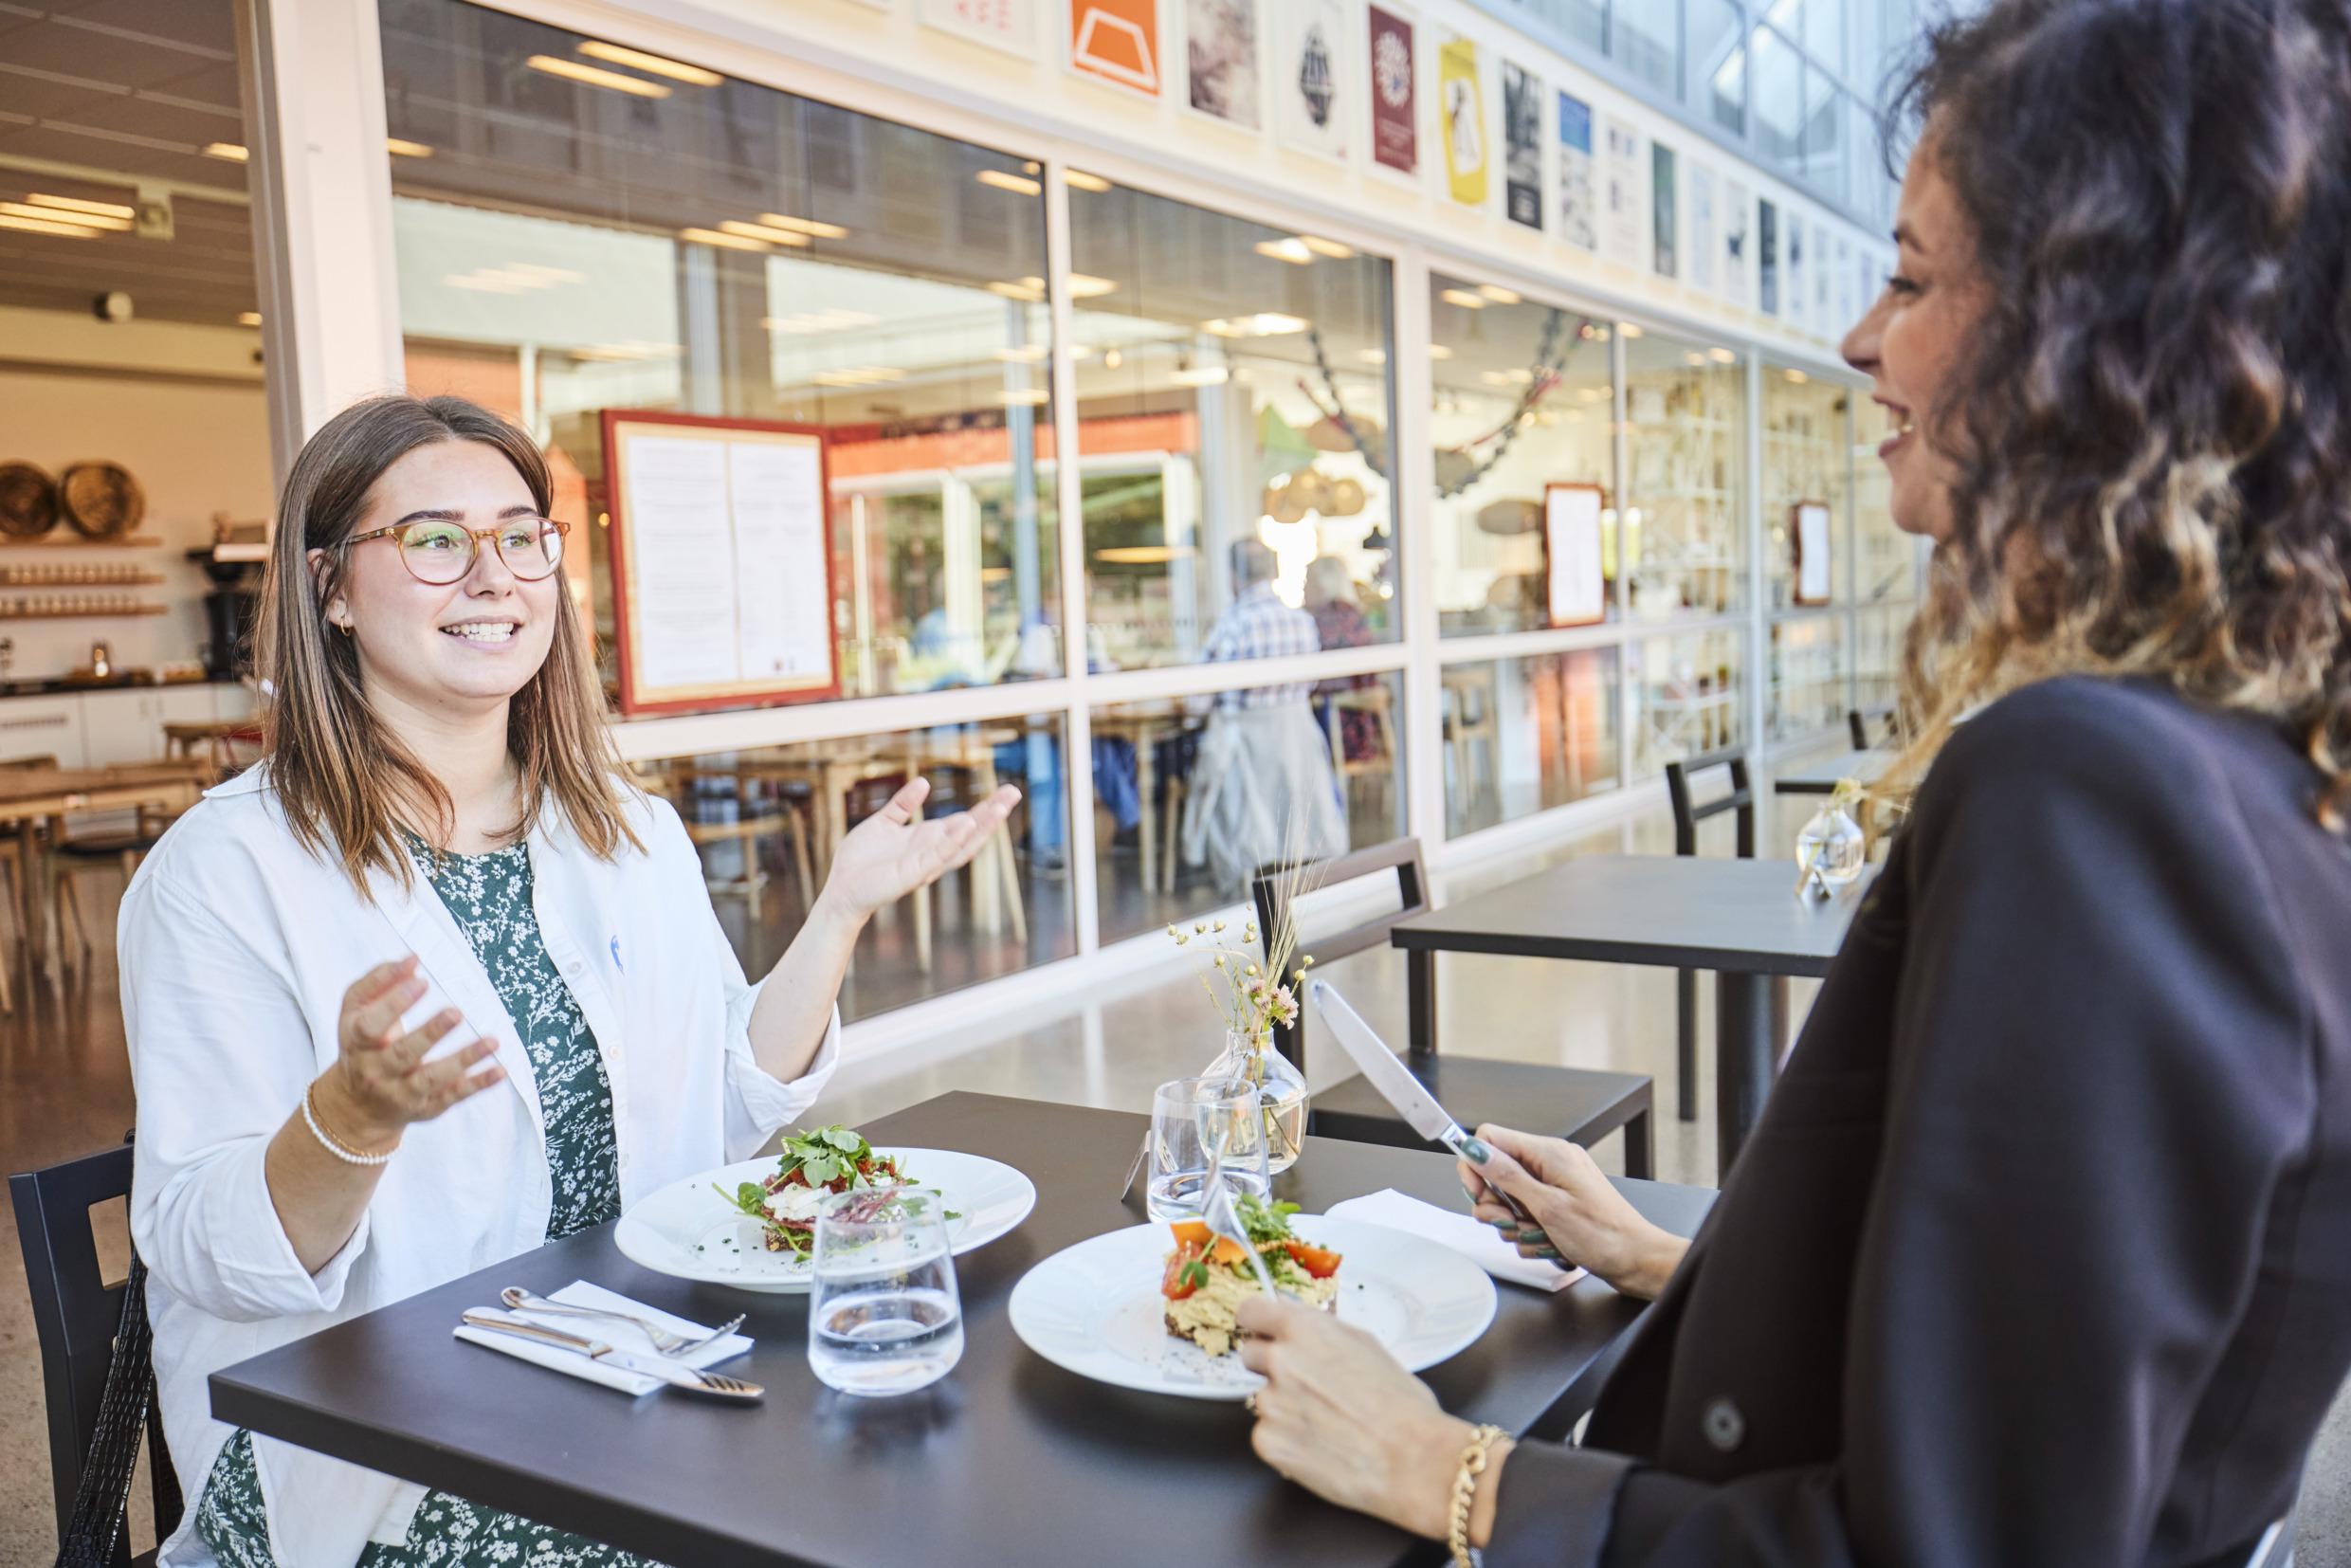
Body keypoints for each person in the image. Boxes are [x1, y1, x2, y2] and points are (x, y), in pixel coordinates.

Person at [1230, 3, 2351, 1562]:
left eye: (1910, 276)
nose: (1858, 338)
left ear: (2093, 335)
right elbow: (2045, 1366)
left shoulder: (2092, 787)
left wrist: (1446, 1468)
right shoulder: (2266, 767)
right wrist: (1672, 1253)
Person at [125, 394, 1015, 1568]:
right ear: (330, 587)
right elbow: (201, 1244)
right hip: (390, 1440)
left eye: (520, 536)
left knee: (940, 1464)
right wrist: (348, 1120)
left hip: (634, 1369)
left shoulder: (622, 829)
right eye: (436, 540)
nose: (492, 576)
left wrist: (839, 910)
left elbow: (731, 1100)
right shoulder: (227, 868)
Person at [1179, 538, 1344, 890]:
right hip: (1296, 740)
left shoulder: (1233, 625)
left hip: (1245, 748)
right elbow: (1311, 681)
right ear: (1272, 572)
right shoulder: (1301, 622)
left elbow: (1197, 696)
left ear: (1232, 577)